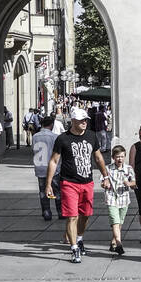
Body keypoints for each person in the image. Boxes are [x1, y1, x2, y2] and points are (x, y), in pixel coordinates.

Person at [45, 107, 110, 263]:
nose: (84, 122)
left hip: (87, 182)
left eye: (85, 120)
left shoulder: (91, 136)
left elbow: (98, 158)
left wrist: (106, 176)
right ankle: (74, 248)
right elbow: (54, 161)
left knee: (86, 215)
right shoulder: (62, 139)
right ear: (72, 121)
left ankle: (79, 239)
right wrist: (48, 184)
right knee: (72, 216)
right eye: (81, 120)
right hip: (69, 183)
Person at [103, 145, 136, 256]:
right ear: (113, 157)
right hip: (111, 198)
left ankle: (113, 242)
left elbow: (134, 183)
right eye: (117, 157)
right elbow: (103, 181)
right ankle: (119, 243)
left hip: (124, 199)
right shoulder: (107, 169)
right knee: (115, 220)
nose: (120, 159)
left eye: (122, 156)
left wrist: (130, 183)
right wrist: (105, 184)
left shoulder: (129, 169)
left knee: (119, 222)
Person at [32, 115, 60, 221]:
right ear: (51, 125)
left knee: (43, 191)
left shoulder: (35, 136)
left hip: (40, 167)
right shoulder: (55, 137)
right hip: (53, 168)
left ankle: (46, 211)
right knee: (57, 190)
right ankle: (60, 211)